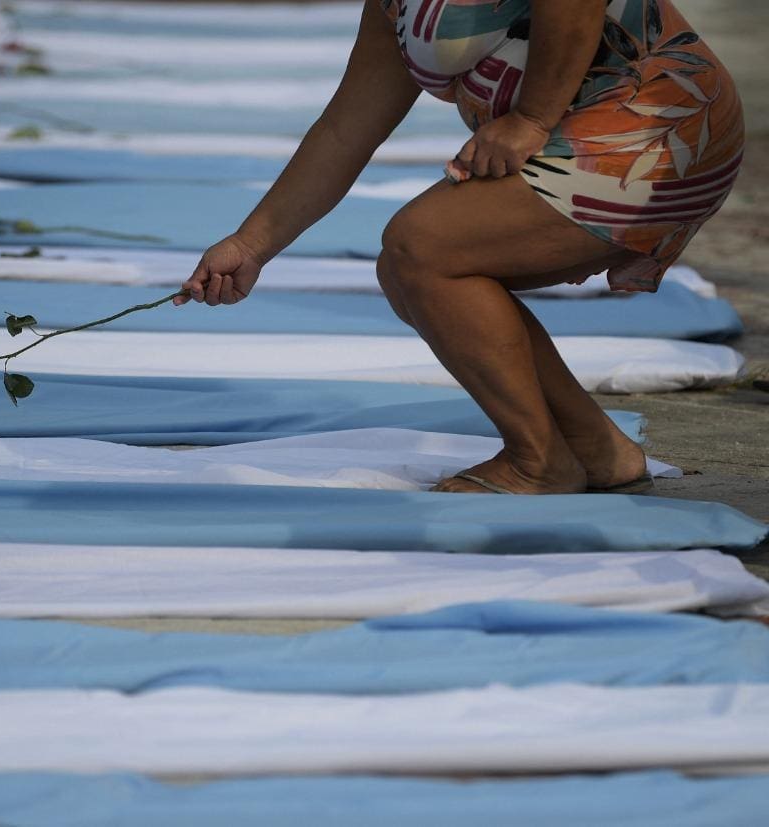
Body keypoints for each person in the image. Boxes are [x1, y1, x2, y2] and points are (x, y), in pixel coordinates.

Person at [175, 0, 744, 495]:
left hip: (663, 123)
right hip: (593, 131)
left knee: (423, 248)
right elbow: (347, 127)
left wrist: (530, 118)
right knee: (411, 269)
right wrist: (251, 243)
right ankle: (595, 449)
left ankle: (539, 460)